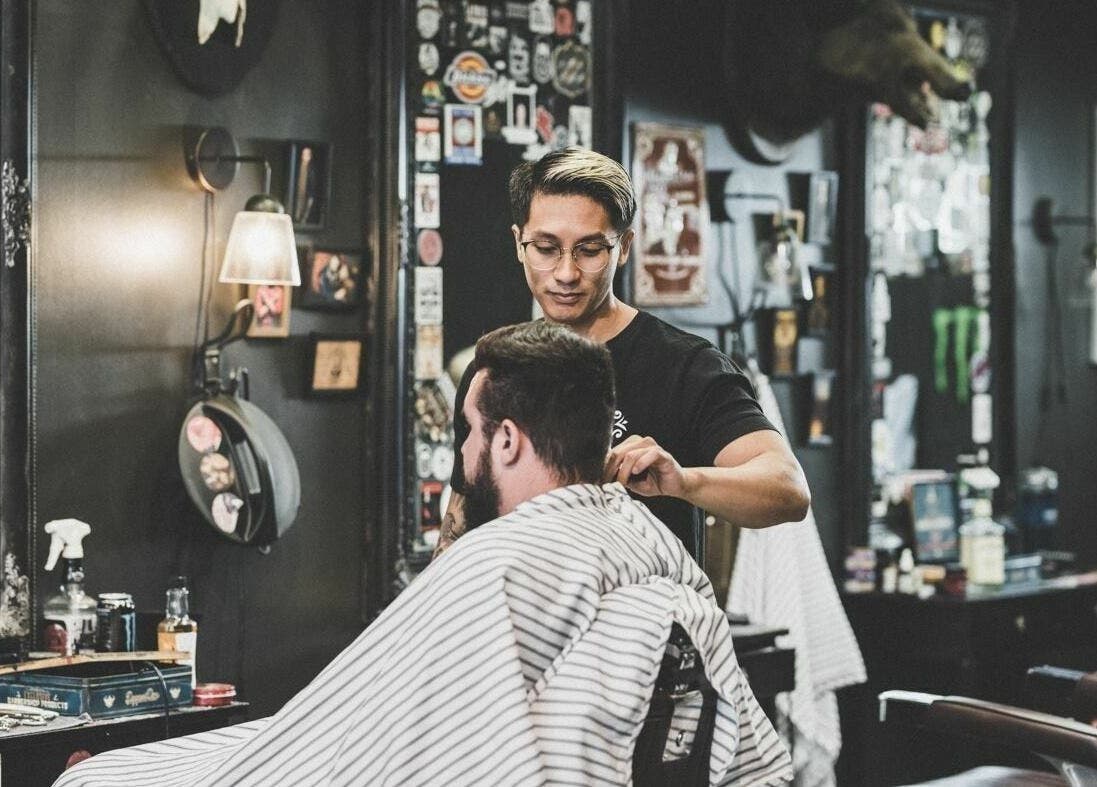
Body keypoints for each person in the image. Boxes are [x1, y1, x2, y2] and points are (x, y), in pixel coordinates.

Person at [54, 321, 791, 786]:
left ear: (506, 440)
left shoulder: (498, 562)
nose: (464, 450)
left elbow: (361, 748)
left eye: (470, 432)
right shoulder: (644, 537)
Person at [436, 147, 810, 558]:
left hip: (642, 618)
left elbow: (788, 490)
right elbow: (461, 517)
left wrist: (683, 481)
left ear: (625, 247)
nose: (566, 273)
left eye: (590, 250)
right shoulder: (493, 371)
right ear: (518, 244)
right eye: (546, 248)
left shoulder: (686, 367)